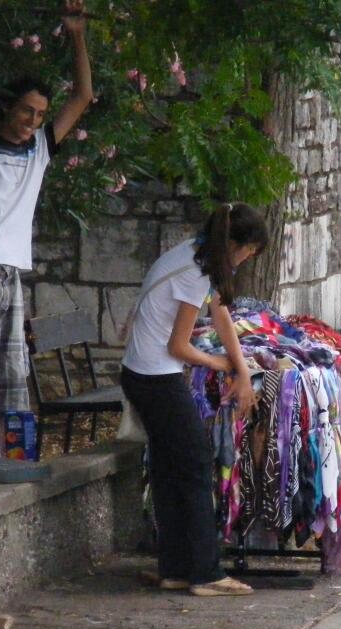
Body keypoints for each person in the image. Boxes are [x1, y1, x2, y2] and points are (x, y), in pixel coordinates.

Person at [0, 0, 93, 468]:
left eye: (39, 114)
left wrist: (77, 36)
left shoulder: (39, 153)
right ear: (6, 107)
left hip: (11, 269)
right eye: (26, 111)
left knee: (9, 379)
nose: (32, 121)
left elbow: (83, 97)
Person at [120, 203, 266, 597]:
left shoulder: (195, 253)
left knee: (170, 471)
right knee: (197, 466)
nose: (247, 259)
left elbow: (221, 317)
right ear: (235, 245)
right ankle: (206, 573)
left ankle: (176, 569)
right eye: (248, 251)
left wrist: (242, 370)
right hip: (154, 377)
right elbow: (180, 345)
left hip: (144, 373)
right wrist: (220, 364)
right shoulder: (193, 273)